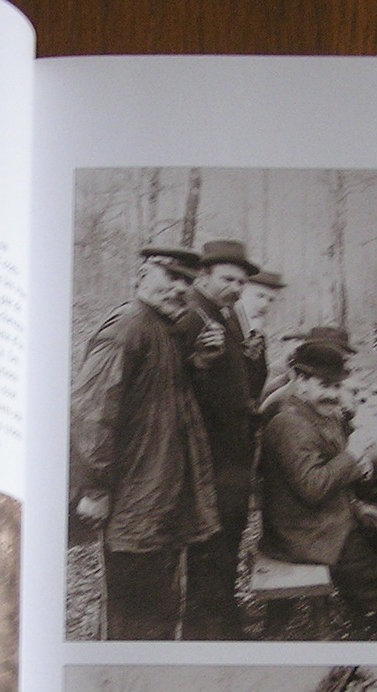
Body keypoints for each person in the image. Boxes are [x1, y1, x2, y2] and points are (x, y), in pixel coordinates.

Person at [69, 245, 219, 639]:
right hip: (134, 505)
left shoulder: (164, 329)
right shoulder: (128, 327)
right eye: (171, 277)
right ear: (143, 276)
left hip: (162, 501)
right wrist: (95, 487)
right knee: (132, 618)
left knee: (158, 610)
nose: (180, 289)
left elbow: (167, 407)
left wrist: (198, 364)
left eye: (187, 281)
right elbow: (92, 413)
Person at [259, 340, 377, 637]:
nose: (333, 394)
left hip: (328, 517)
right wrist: (354, 454)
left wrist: (360, 494)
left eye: (338, 386)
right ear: (299, 380)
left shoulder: (322, 414)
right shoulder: (288, 423)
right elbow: (314, 487)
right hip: (305, 533)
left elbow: (339, 473)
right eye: (325, 385)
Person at [178, 238, 262, 639]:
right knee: (210, 550)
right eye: (228, 279)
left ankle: (225, 618)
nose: (236, 288)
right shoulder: (191, 315)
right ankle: (208, 631)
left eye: (241, 282)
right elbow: (175, 386)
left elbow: (241, 389)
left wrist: (251, 358)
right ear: (204, 275)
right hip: (208, 459)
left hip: (232, 455)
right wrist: (198, 364)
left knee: (227, 542)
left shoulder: (226, 316)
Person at [234, 268, 286, 404]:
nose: (264, 304)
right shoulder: (228, 324)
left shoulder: (259, 335)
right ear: (242, 292)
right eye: (260, 296)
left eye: (270, 300)